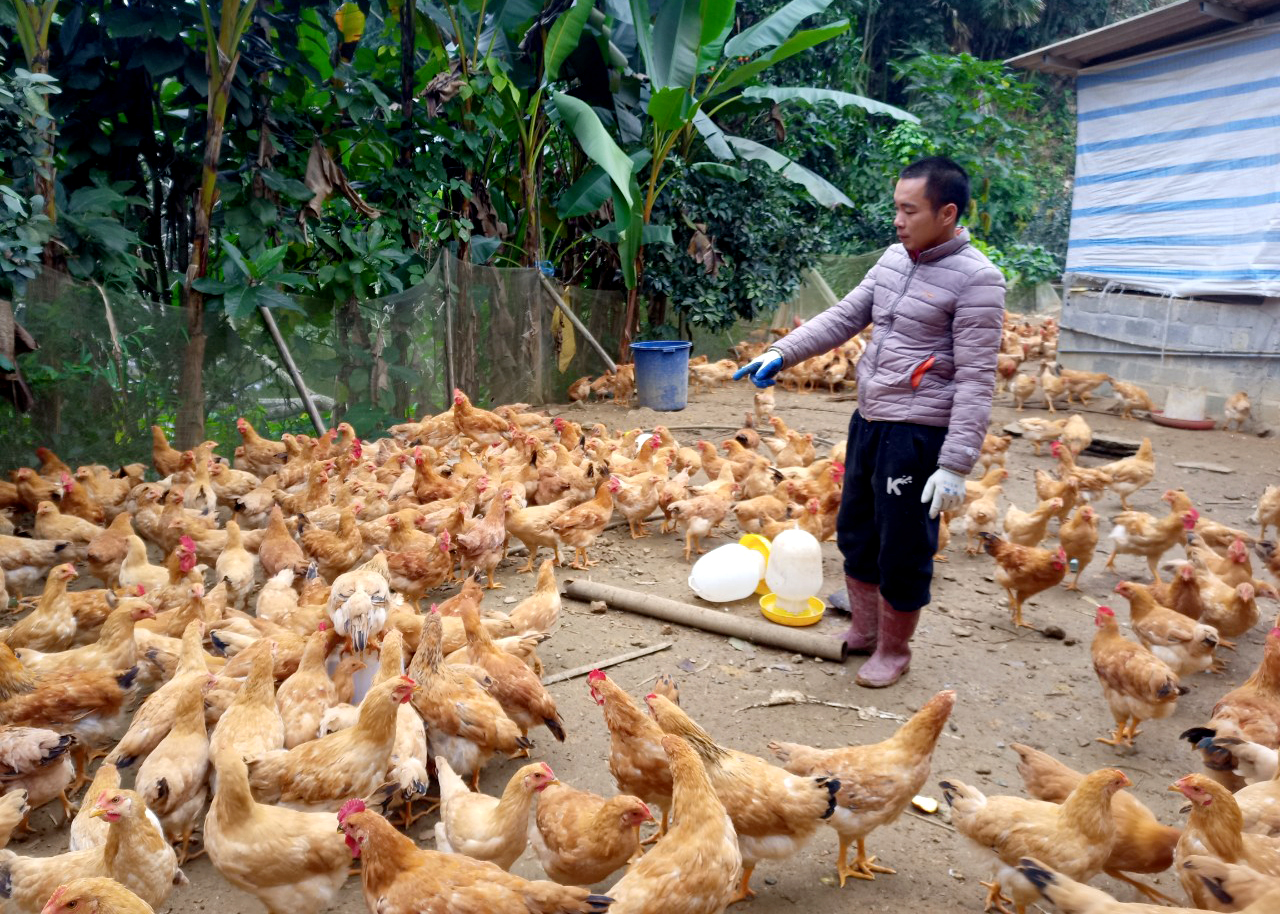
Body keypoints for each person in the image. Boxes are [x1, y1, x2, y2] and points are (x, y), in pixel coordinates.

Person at [734, 156, 1005, 687]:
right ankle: (864, 629)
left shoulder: (979, 280)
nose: (898, 221)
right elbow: (844, 316)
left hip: (918, 434)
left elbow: (976, 380)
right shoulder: (893, 259)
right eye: (896, 209)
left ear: (947, 213)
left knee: (903, 546)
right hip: (870, 420)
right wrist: (783, 352)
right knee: (855, 531)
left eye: (910, 210)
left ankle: (894, 649)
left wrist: (955, 464)